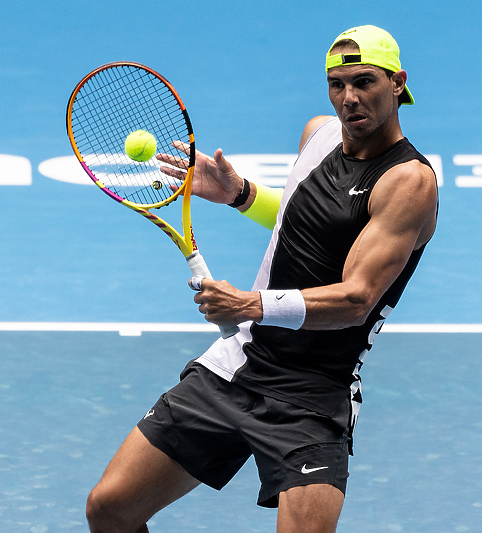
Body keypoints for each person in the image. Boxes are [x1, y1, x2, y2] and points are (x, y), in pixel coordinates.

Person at [85, 25, 438, 533]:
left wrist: (253, 305)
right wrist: (240, 194)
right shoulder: (318, 135)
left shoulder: (408, 180)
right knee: (110, 509)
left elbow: (357, 298)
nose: (349, 98)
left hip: (314, 393)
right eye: (337, 85)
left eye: (364, 82)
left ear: (397, 82)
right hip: (239, 365)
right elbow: (313, 221)